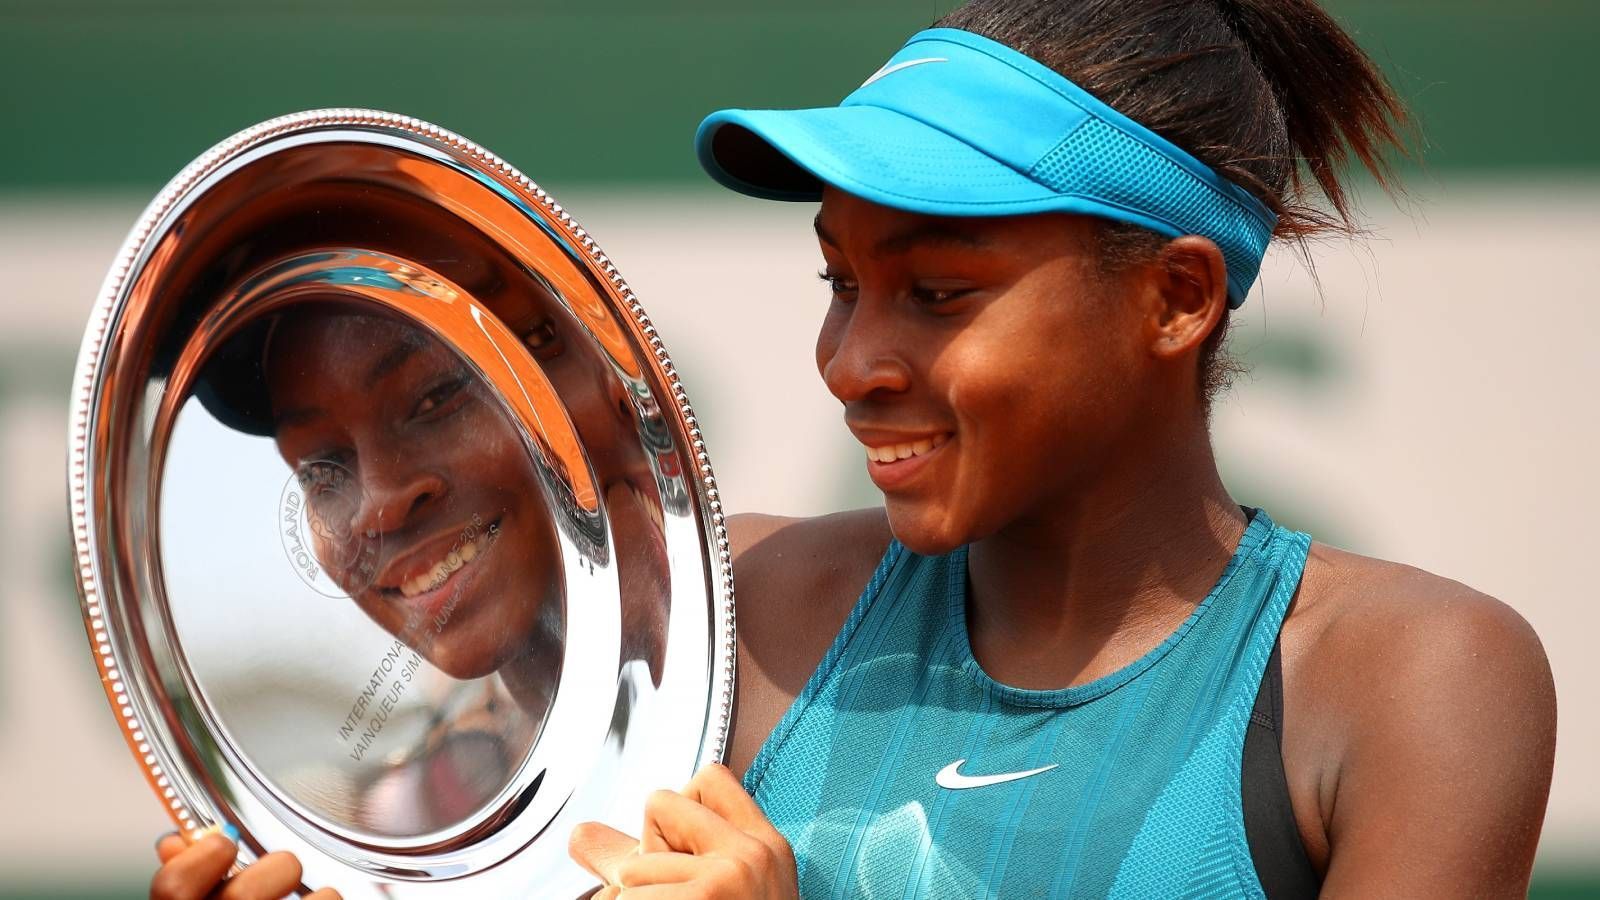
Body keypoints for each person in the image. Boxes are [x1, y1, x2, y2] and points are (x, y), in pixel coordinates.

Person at [151, 1, 1557, 897]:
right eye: (841, 284)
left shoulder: (1419, 681)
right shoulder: (732, 613)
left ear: (1177, 298)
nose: (851, 361)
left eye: (938, 294)